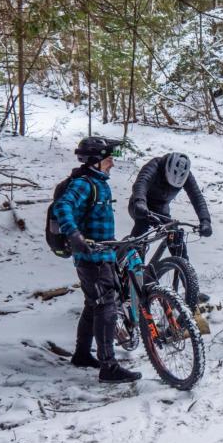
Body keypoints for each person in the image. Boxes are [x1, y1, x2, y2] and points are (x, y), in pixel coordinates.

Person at [53, 136, 142, 384]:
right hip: (91, 257)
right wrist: (74, 234)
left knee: (93, 305)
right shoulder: (84, 184)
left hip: (103, 254)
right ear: (95, 161)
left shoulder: (99, 183)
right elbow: (63, 207)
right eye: (108, 159)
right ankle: (108, 366)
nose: (112, 163)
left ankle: (82, 354)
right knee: (106, 307)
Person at [127, 152, 213, 302]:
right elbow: (141, 183)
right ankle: (134, 279)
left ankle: (191, 290)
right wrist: (140, 201)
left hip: (161, 210)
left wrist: (205, 221)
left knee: (176, 237)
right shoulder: (154, 165)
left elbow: (197, 197)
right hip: (141, 204)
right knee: (141, 232)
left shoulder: (187, 175)